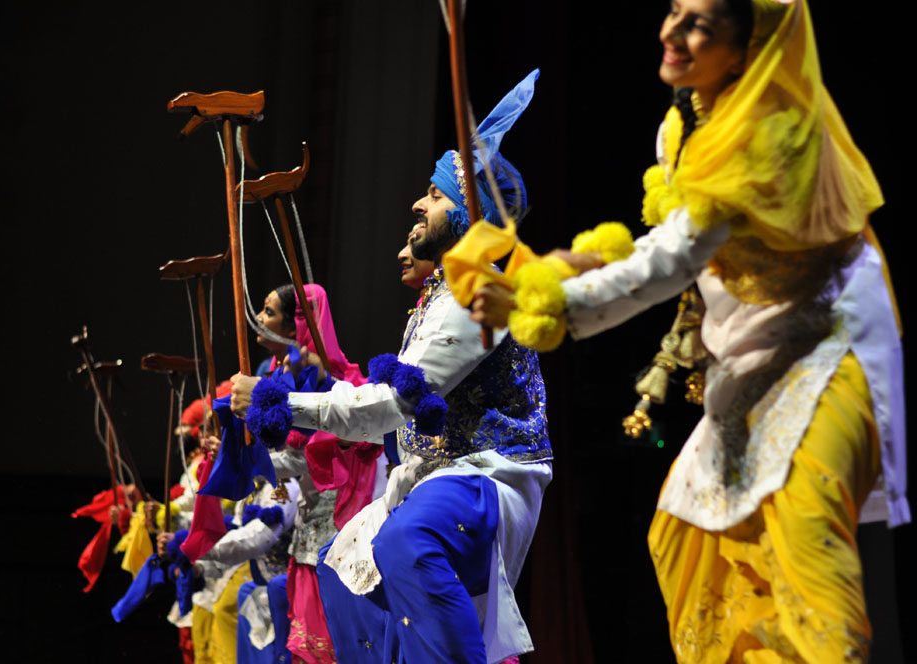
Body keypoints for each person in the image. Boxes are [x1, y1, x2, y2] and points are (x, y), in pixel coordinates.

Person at [472, 2, 908, 661]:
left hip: (824, 348)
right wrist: (582, 266)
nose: (671, 32)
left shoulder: (767, 125)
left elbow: (673, 260)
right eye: (674, 11)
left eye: (699, 23)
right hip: (753, 351)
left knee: (805, 537)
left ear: (745, 45)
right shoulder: (685, 122)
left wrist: (552, 302)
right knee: (689, 530)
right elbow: (670, 243)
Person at [234, 69, 549, 664]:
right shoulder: (437, 299)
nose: (417, 204)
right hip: (434, 479)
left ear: (469, 211)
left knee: (408, 540)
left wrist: (283, 405)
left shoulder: (479, 293)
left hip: (489, 475)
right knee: (344, 571)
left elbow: (386, 405)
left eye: (433, 195)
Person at [253, 282, 378, 663]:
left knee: (333, 635)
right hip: (307, 528)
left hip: (335, 528)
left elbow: (310, 456)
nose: (259, 319)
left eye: (269, 311)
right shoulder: (277, 375)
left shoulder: (334, 384)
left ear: (295, 328)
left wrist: (253, 461)